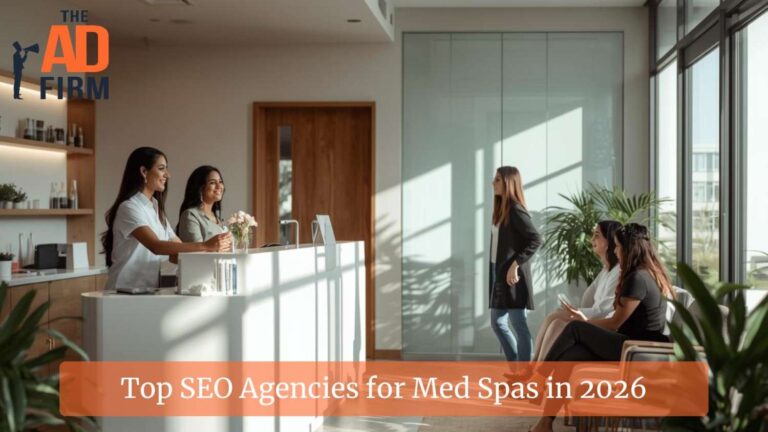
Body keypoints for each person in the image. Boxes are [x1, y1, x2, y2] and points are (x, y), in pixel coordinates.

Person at [529, 223, 674, 432]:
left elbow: (615, 322)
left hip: (636, 350)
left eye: (617, 246)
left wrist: (584, 324)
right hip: (632, 345)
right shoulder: (645, 273)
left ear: (628, 248)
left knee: (575, 328)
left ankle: (539, 377)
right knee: (571, 356)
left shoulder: (637, 278)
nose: (615, 251)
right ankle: (545, 423)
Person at [102, 147, 231, 291]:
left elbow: (177, 246)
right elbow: (156, 246)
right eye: (161, 168)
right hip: (122, 292)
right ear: (144, 172)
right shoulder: (129, 207)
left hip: (147, 291)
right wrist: (206, 246)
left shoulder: (155, 208)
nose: (167, 175)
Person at [531, 220, 622, 361]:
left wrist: (578, 313)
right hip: (597, 316)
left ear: (609, 240)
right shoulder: (606, 270)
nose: (591, 239)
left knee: (555, 320)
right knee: (555, 317)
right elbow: (588, 298)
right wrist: (573, 311)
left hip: (604, 323)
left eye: (596, 235)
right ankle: (533, 365)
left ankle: (536, 368)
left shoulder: (618, 271)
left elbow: (603, 310)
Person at [489, 166, 542, 362]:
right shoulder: (502, 211)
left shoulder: (516, 210)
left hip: (513, 277)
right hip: (500, 274)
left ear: (508, 183)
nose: (492, 183)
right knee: (497, 322)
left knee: (518, 324)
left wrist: (515, 265)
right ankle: (516, 369)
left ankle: (524, 373)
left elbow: (536, 239)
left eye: (497, 180)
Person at [177, 165, 227, 242]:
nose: (219, 186)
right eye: (212, 182)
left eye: (220, 181)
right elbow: (196, 252)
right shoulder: (191, 215)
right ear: (200, 188)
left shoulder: (217, 218)